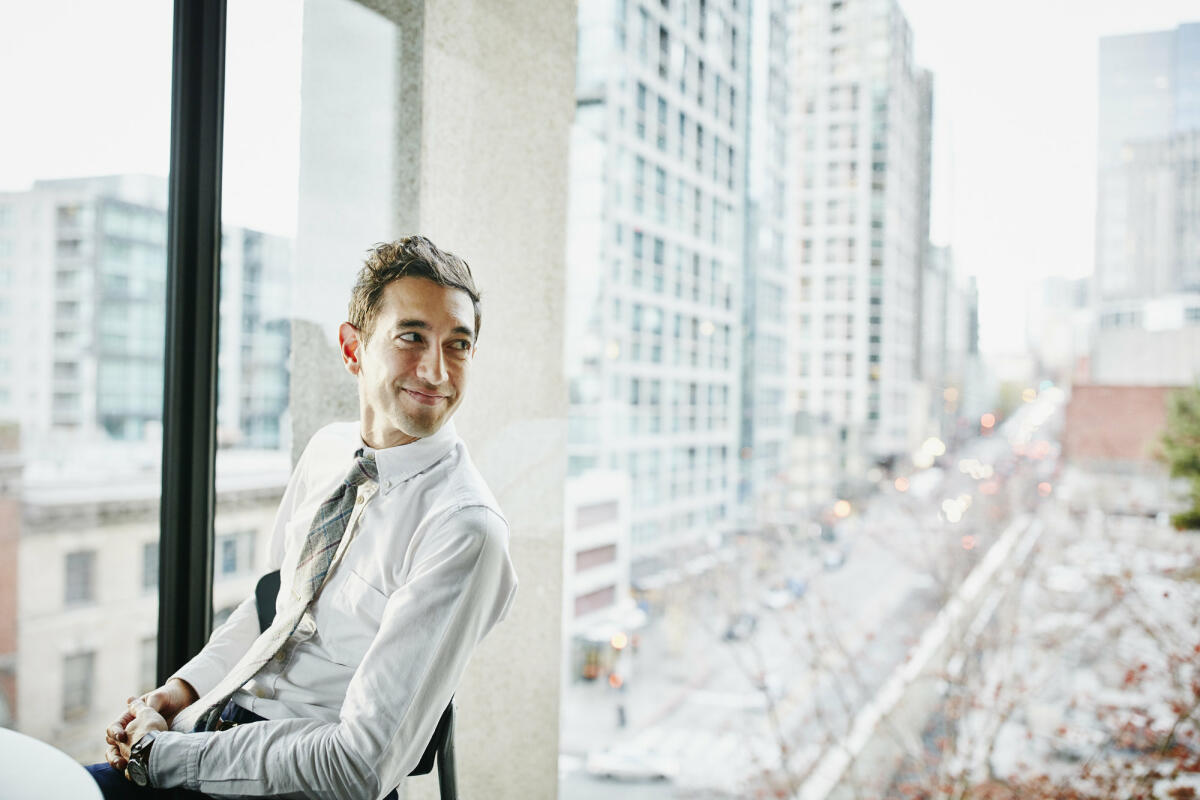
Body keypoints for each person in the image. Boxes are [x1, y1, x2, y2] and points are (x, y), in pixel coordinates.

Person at [87, 236, 518, 799]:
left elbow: (358, 767)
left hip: (302, 783)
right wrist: (181, 691)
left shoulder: (464, 530)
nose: (437, 371)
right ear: (352, 349)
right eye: (412, 337)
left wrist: (158, 755)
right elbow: (275, 608)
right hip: (209, 733)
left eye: (458, 345)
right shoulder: (327, 453)